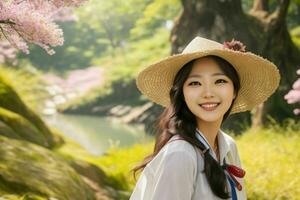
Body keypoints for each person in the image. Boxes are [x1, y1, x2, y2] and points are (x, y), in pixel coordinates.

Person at [129, 37, 280, 200]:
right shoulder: (180, 155)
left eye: (220, 81)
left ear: (235, 90)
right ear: (182, 93)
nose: (208, 93)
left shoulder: (228, 146)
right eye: (195, 83)